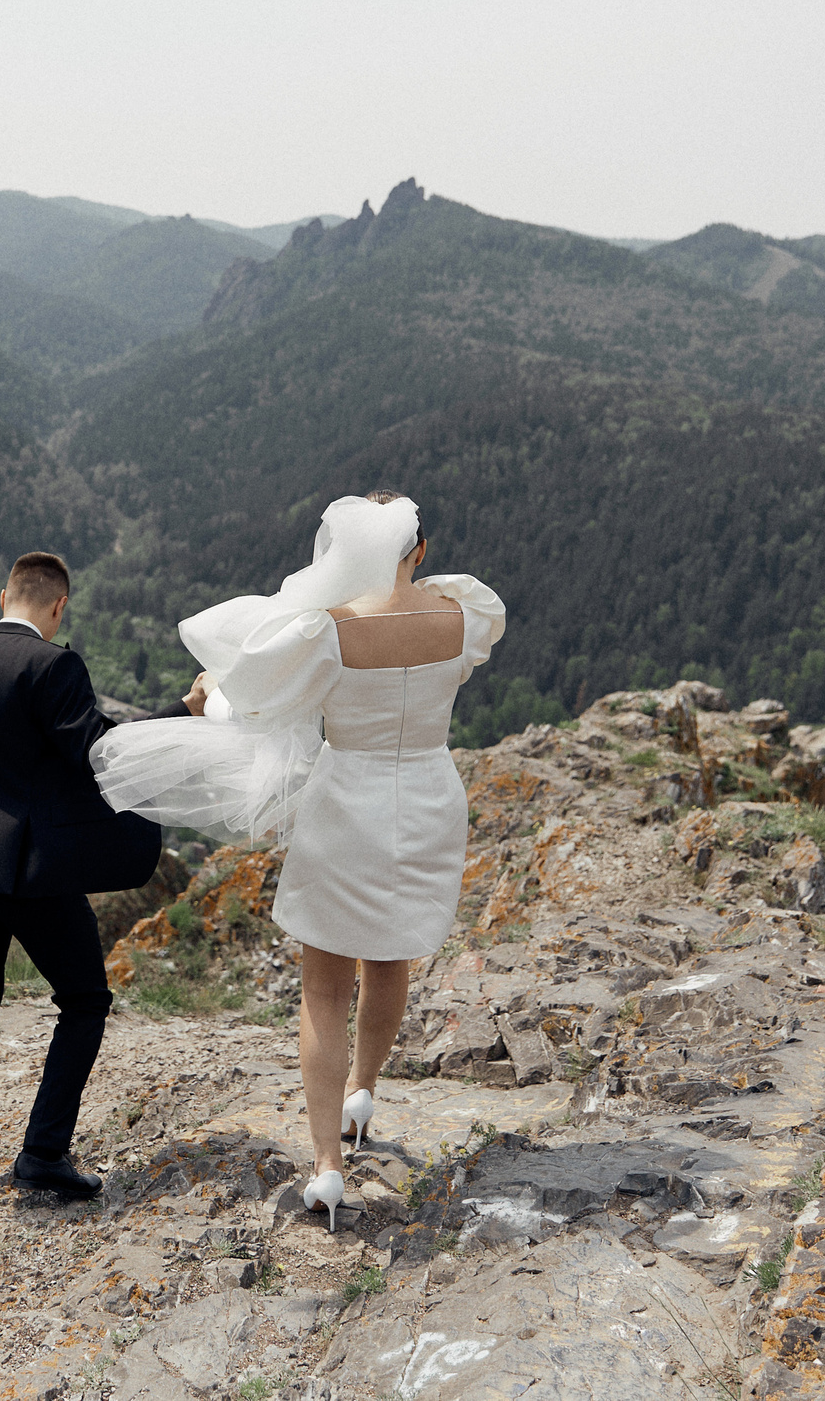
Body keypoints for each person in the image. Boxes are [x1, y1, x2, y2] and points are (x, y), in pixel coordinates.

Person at [88, 493, 503, 1230]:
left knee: (322, 987)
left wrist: (215, 693)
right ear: (421, 550)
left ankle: (326, 1165)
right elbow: (461, 664)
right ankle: (364, 1092)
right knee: (392, 955)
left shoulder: (327, 632)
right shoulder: (464, 615)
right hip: (431, 797)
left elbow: (261, 702)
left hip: (349, 802)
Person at [0, 551, 206, 1213]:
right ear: (58, 606)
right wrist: (183, 710)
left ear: (5, 595)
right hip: (30, 870)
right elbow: (101, 754)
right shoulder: (53, 665)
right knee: (83, 998)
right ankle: (43, 1151)